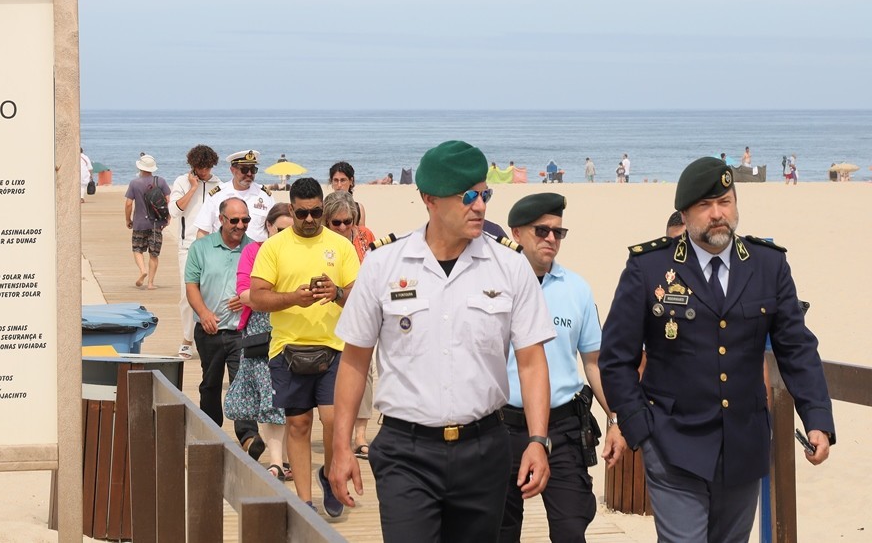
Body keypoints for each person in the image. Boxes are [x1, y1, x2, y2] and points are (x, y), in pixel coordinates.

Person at [598, 156, 835, 542]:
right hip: (673, 443)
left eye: (725, 202)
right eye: (705, 205)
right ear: (685, 214)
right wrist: (639, 428)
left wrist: (817, 418)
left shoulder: (768, 265)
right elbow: (615, 358)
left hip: (744, 445)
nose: (717, 213)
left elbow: (797, 348)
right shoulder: (649, 267)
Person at [329, 140, 555, 543]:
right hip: (406, 453)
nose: (480, 206)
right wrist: (341, 446)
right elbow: (355, 360)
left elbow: (532, 361)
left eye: (484, 194)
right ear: (429, 199)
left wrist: (538, 439)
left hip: (484, 450)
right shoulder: (383, 264)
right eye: (467, 196)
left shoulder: (510, 266)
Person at [499, 193, 627, 543]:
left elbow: (594, 363)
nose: (551, 239)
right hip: (503, 427)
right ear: (517, 232)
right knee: (499, 532)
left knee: (572, 528)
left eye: (559, 232)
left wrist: (615, 419)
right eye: (542, 231)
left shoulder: (577, 289)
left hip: (563, 429)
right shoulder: (493, 287)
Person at [249, 177, 361, 516]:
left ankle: (329, 474)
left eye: (315, 212)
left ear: (322, 209)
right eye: (301, 213)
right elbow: (257, 297)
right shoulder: (274, 247)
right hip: (287, 349)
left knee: (333, 420)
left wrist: (336, 293)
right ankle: (304, 502)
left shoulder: (341, 245)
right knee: (298, 425)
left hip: (335, 346)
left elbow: (359, 296)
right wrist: (293, 298)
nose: (309, 219)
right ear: (291, 208)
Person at [185, 197, 263, 457]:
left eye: (245, 220)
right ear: (221, 219)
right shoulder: (201, 248)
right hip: (209, 331)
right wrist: (204, 313)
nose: (240, 225)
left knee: (243, 383)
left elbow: (265, 285)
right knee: (210, 384)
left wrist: (248, 297)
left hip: (243, 331)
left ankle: (248, 436)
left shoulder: (255, 249)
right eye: (235, 220)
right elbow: (191, 286)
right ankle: (210, 434)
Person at [225, 202, 295, 481]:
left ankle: (286, 459)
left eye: (290, 230)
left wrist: (266, 296)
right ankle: (277, 461)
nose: (285, 236)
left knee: (291, 397)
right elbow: (244, 292)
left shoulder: (300, 251)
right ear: (268, 226)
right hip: (261, 332)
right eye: (280, 229)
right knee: (270, 394)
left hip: (294, 329)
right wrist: (282, 296)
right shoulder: (253, 252)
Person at [322, 190, 376, 460]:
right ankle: (335, 432)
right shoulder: (322, 242)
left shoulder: (365, 237)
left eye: (348, 221)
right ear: (326, 221)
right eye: (337, 222)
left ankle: (360, 436)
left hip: (362, 313)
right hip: (328, 315)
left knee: (365, 373)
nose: (343, 227)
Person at [169, 145, 224, 360]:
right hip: (188, 246)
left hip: (213, 245)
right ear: (193, 166)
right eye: (200, 168)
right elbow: (174, 211)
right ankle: (187, 339)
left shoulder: (219, 185)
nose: (204, 172)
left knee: (214, 292)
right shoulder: (182, 182)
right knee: (187, 294)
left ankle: (213, 336)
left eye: (208, 167)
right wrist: (193, 188)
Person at [194, 149, 274, 241]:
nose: (249, 174)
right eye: (244, 170)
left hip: (257, 250)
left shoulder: (265, 195)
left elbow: (274, 229)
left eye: (253, 170)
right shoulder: (217, 195)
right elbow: (203, 231)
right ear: (232, 170)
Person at [124, 153, 170, 290]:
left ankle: (142, 270)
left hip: (139, 223)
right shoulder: (161, 181)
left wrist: (128, 219)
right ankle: (150, 283)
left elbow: (128, 204)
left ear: (140, 167)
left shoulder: (134, 183)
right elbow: (168, 200)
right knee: (154, 254)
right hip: (156, 222)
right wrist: (167, 218)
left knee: (137, 249)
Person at [329, 161, 367, 226]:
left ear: (351, 181)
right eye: (336, 180)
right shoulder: (325, 207)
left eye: (343, 180)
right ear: (331, 182)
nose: (339, 185)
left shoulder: (358, 209)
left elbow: (362, 231)